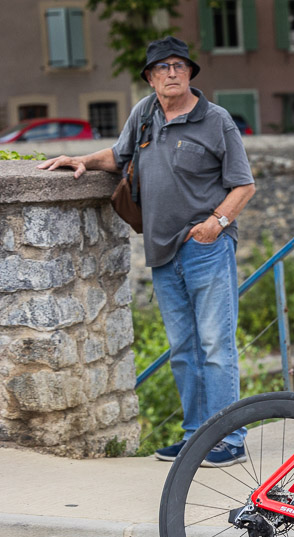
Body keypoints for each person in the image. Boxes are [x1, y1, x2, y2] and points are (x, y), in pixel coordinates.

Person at [38, 36, 255, 467]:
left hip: (205, 249)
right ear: (151, 77)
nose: (171, 73)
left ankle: (229, 439)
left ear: (190, 72)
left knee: (215, 346)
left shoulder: (216, 120)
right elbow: (118, 157)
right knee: (183, 350)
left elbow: (244, 184)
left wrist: (215, 225)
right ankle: (196, 436)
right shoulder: (144, 114)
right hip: (161, 253)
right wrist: (80, 160)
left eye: (179, 66)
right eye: (162, 67)